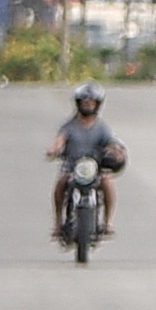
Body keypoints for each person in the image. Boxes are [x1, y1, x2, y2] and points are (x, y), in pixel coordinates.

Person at [47, 84, 124, 241]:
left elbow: (110, 142)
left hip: (94, 167)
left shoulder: (101, 127)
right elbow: (59, 140)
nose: (87, 105)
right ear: (78, 104)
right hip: (73, 167)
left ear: (97, 105)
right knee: (61, 182)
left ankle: (107, 222)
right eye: (84, 102)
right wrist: (54, 150)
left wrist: (116, 151)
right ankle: (57, 223)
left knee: (107, 181)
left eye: (91, 102)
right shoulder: (69, 126)